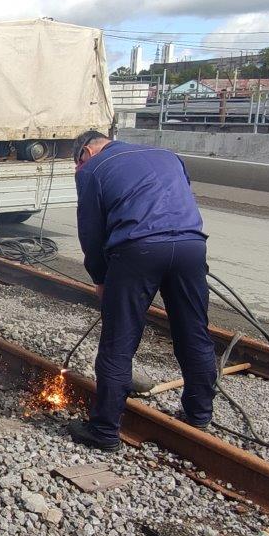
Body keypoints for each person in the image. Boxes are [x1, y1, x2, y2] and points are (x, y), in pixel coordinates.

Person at [66, 130, 217, 450]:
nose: (77, 171)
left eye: (76, 164)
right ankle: (199, 415)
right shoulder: (168, 156)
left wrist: (101, 279)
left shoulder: (92, 169)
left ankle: (105, 430)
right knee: (194, 333)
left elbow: (91, 233)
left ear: (86, 153)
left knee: (119, 341)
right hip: (191, 246)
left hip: (138, 250)